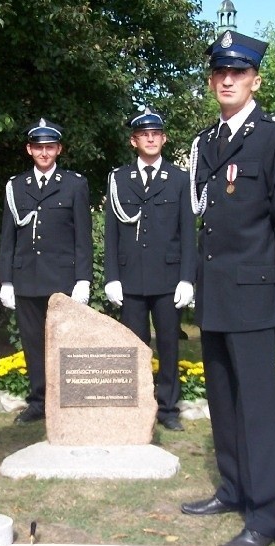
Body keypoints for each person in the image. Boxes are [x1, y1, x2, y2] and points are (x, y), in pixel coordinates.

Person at [180, 30, 275, 546]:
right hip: (216, 296)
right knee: (224, 401)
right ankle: (233, 488)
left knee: (257, 406)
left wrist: (274, 280)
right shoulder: (208, 141)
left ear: (255, 78)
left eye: (237, 72)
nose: (227, 79)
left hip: (255, 293)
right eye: (219, 72)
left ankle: (266, 513)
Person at [103, 108, 196, 431]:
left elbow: (188, 232)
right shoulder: (118, 179)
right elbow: (111, 232)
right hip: (130, 279)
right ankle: (136, 402)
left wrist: (187, 277)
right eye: (144, 134)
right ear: (134, 140)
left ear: (164, 138)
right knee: (134, 345)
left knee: (169, 343)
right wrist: (111, 276)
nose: (151, 138)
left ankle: (168, 407)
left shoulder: (180, 179)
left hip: (169, 279)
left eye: (156, 133)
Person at [0, 119, 93, 424]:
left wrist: (83, 279)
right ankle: (39, 401)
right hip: (27, 279)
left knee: (65, 343)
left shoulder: (74, 184)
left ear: (59, 149)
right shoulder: (16, 186)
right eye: (38, 147)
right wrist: (6, 281)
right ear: (29, 149)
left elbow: (82, 236)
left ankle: (66, 401)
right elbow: (8, 238)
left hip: (61, 279)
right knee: (34, 344)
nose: (44, 152)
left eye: (49, 147)